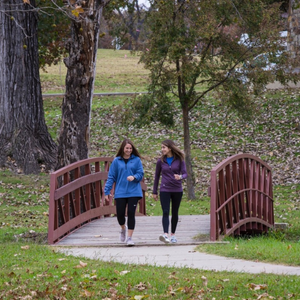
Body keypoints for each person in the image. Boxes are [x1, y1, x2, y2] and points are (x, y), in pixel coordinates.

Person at [104, 139, 144, 246]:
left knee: (131, 214)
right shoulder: (117, 161)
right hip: (120, 191)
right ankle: (123, 228)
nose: (129, 150)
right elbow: (111, 176)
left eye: (130, 148)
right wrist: (107, 191)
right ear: (123, 148)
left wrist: (134, 177)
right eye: (127, 148)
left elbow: (141, 173)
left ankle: (129, 238)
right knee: (120, 215)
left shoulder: (136, 160)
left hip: (134, 191)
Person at [152, 139, 187, 244]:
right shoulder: (160, 161)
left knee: (175, 212)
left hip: (177, 189)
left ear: (170, 148)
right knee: (165, 211)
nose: (162, 149)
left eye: (164, 147)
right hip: (164, 189)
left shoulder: (180, 160)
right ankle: (165, 234)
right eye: (161, 147)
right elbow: (157, 176)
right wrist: (154, 191)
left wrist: (180, 177)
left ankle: (173, 235)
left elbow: (185, 174)